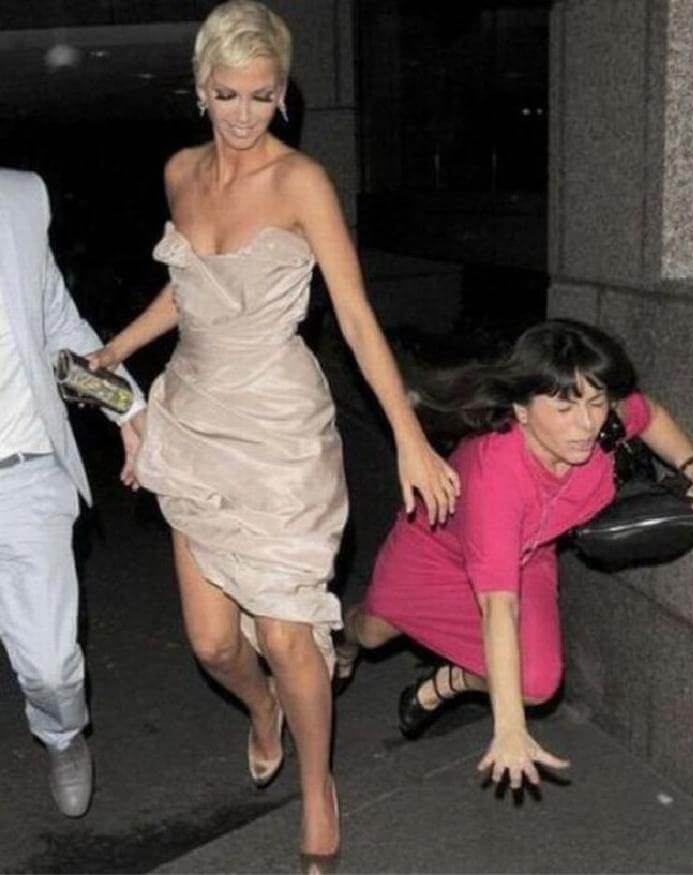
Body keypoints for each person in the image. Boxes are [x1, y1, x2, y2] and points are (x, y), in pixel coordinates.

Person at [89, 1, 458, 868]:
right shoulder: (181, 173)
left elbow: (356, 319)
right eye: (228, 94)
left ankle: (318, 783)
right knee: (215, 643)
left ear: (283, 92)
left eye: (262, 95)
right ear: (200, 89)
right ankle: (264, 709)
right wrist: (117, 347)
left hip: (281, 430)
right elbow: (189, 289)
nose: (245, 115)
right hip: (195, 419)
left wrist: (408, 435)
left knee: (289, 634)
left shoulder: (301, 184)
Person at [335, 319, 693, 790]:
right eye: (564, 408)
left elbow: (646, 413)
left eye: (595, 402)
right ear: (521, 410)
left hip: (529, 553)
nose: (586, 424)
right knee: (372, 634)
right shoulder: (496, 479)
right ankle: (340, 639)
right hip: (435, 552)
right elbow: (498, 606)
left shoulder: (603, 422)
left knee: (538, 685)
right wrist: (509, 730)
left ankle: (449, 682)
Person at [0, 167, 145, 817]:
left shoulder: (17, 200)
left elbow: (58, 326)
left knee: (52, 669)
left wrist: (128, 408)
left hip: (23, 473)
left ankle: (61, 734)